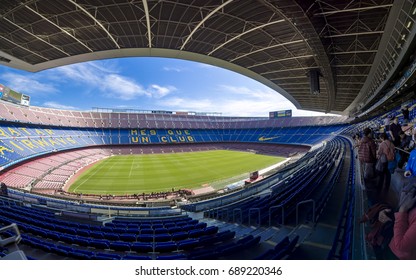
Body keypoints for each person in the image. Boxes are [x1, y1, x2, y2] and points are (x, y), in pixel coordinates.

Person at [378, 183, 416, 259]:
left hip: (399, 257)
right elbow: (404, 218)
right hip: (390, 244)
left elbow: (401, 245)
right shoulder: (412, 190)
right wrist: (386, 213)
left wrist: (402, 210)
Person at [376, 133, 395, 198]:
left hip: (384, 162)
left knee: (381, 176)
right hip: (390, 162)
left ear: (382, 138)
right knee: (388, 176)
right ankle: (386, 190)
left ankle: (379, 191)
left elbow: (379, 152)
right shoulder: (391, 143)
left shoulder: (382, 144)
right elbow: (394, 151)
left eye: (380, 138)